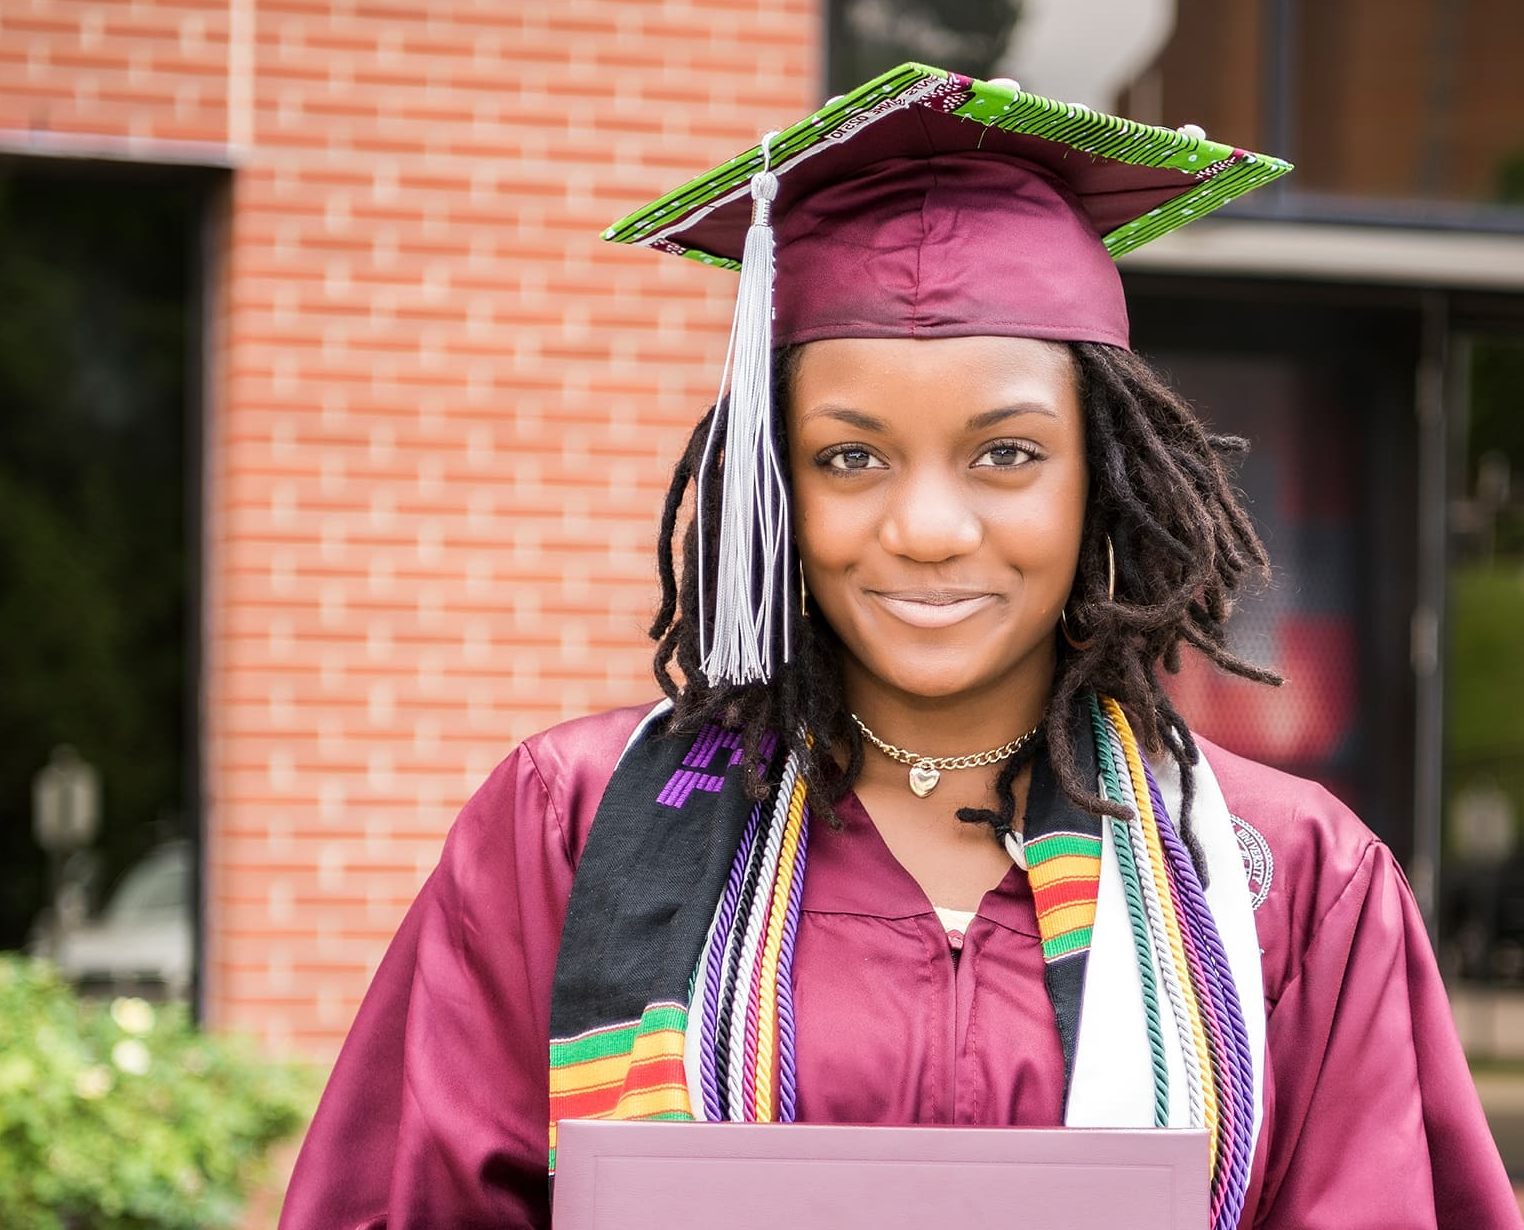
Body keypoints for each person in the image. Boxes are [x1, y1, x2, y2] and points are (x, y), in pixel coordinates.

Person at [280, 62, 1520, 1230]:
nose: (928, 528)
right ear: (774, 489)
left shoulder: (1288, 880)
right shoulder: (569, 825)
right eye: (850, 456)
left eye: (1009, 453)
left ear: (1107, 480)